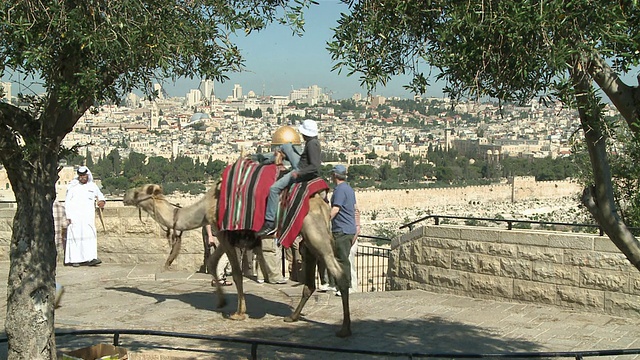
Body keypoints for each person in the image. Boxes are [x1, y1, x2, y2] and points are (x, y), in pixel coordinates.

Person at [257, 119, 321, 236]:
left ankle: (270, 223)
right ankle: (263, 158)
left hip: (300, 171)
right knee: (286, 147)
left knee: (274, 189)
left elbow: (315, 166)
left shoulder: (312, 144)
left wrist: (299, 173)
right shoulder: (313, 142)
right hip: (301, 167)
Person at [328, 164, 360, 297]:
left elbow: (336, 208)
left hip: (342, 229)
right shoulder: (349, 189)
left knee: (342, 259)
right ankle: (342, 285)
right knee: (342, 258)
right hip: (349, 228)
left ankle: (346, 286)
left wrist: (325, 221)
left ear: (335, 175)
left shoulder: (340, 190)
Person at [64, 166, 105, 267]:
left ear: (88, 175)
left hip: (88, 217)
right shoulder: (72, 187)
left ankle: (91, 258)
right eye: (81, 176)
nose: (82, 177)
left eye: (84, 175)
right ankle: (75, 259)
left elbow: (100, 196)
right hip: (75, 217)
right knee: (75, 237)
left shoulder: (92, 186)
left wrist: (101, 201)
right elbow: (67, 202)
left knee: (89, 236)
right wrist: (68, 216)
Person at [52, 199, 67, 307]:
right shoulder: (59, 206)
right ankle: (55, 288)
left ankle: (55, 288)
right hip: (55, 242)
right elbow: (65, 225)